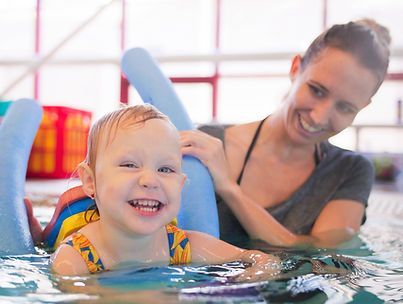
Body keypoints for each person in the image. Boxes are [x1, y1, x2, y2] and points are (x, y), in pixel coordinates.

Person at [180, 19, 391, 248]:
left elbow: (319, 253)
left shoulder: (348, 171)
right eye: (317, 90)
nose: (319, 117)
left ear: (363, 107)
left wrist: (229, 189)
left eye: (345, 107)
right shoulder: (210, 145)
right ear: (295, 68)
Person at [51, 104, 280, 277]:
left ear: (180, 185)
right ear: (90, 181)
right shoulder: (74, 260)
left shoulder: (182, 247)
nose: (151, 180)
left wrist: (255, 274)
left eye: (165, 169)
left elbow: (259, 259)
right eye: (130, 165)